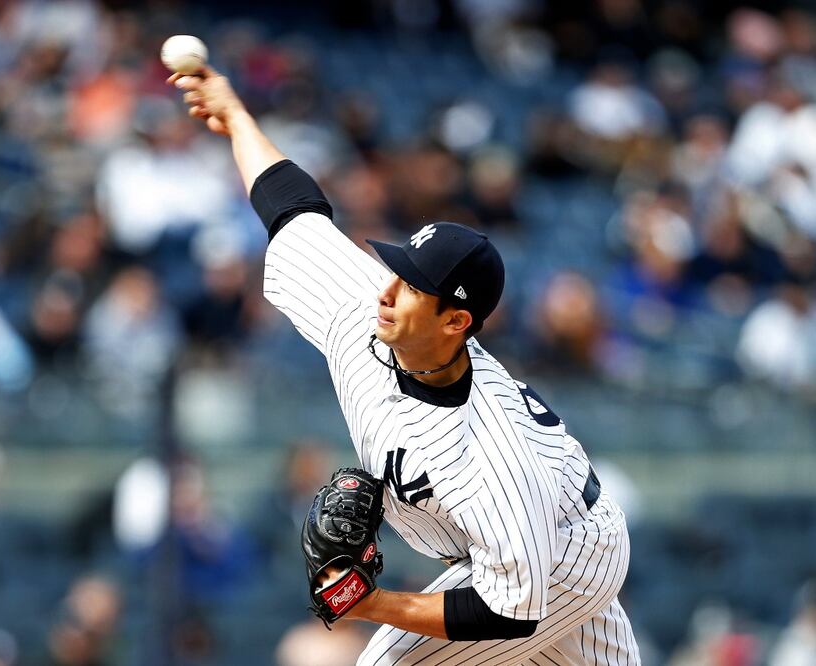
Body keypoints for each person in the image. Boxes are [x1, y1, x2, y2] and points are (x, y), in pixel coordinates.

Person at [170, 67, 640, 665]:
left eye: (414, 287)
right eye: (397, 270)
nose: (388, 292)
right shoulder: (366, 314)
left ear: (455, 321)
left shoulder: (487, 450)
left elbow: (507, 612)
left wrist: (370, 603)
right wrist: (236, 117)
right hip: (517, 538)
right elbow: (293, 209)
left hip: (559, 558)